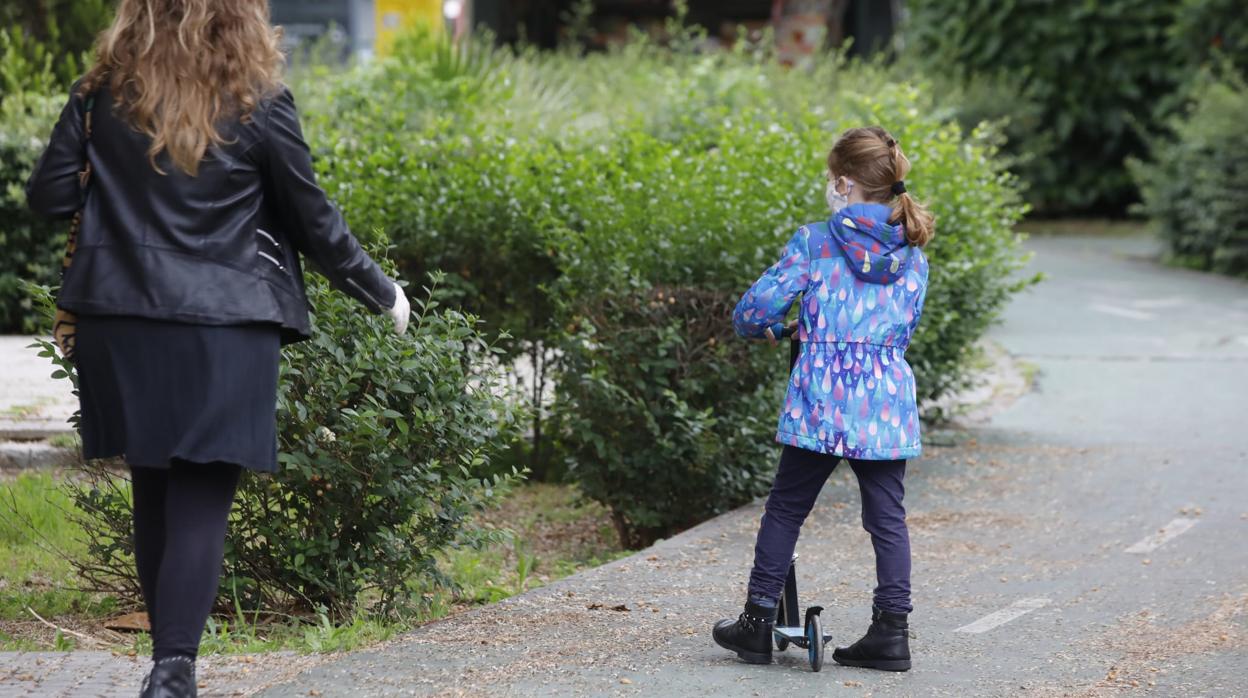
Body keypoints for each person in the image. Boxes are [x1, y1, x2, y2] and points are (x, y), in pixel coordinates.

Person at [24, 1, 409, 695]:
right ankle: (173, 670)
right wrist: (382, 292)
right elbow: (312, 217)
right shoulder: (257, 101)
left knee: (153, 483)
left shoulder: (101, 93)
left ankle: (168, 671)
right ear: (241, 17)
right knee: (202, 494)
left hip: (120, 318)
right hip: (227, 325)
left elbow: (49, 196)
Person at [712, 126, 934, 672]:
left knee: (787, 507)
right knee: (888, 519)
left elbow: (754, 311)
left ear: (843, 182)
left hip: (822, 396)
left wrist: (786, 327)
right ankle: (891, 632)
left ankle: (758, 623)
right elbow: (901, 325)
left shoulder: (815, 241)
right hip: (884, 400)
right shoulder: (913, 249)